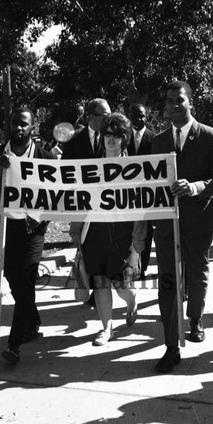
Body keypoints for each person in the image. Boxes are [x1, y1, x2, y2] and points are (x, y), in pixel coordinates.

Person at [151, 80, 213, 373]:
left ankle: (195, 317)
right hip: (167, 225)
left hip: (197, 221)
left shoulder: (210, 137)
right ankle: (171, 345)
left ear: (190, 102)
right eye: (168, 102)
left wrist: (194, 187)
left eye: (179, 100)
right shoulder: (157, 142)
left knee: (197, 273)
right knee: (168, 281)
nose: (173, 106)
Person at [0, 107, 54, 364]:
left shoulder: (45, 158)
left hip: (32, 229)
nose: (18, 128)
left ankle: (14, 344)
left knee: (26, 279)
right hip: (6, 228)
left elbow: (56, 196)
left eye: (24, 124)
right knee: (12, 278)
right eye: (14, 124)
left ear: (33, 127)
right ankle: (33, 320)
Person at [69, 113, 147, 346]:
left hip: (124, 235)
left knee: (123, 286)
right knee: (101, 282)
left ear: (124, 139)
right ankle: (106, 328)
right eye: (107, 135)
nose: (111, 140)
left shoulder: (136, 168)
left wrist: (139, 236)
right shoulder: (91, 168)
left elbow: (142, 204)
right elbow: (80, 200)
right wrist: (76, 230)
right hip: (95, 233)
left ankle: (132, 303)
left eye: (117, 135)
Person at [62, 98, 111, 307]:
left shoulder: (113, 138)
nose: (109, 118)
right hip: (81, 207)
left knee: (104, 248)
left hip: (106, 206)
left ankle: (100, 292)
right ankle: (86, 286)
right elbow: (65, 173)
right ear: (91, 117)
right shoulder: (74, 142)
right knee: (84, 248)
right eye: (105, 115)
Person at [127, 103, 155, 278]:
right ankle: (129, 265)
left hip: (147, 194)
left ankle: (142, 268)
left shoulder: (155, 138)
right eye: (135, 116)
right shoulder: (124, 138)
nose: (139, 119)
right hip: (127, 194)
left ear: (147, 117)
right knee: (128, 230)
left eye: (142, 116)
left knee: (146, 231)